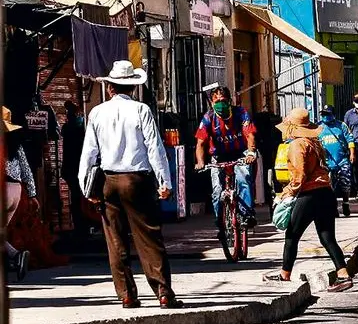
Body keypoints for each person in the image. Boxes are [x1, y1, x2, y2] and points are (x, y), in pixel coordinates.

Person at [78, 61, 182, 309]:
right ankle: (163, 293)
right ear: (133, 88)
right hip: (137, 181)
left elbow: (89, 153)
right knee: (148, 237)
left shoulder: (97, 113)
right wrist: (164, 182)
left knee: (115, 241)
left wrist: (87, 189)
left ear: (110, 88)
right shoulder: (141, 110)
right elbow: (154, 148)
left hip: (107, 181)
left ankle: (127, 294)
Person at [265, 108, 353, 292]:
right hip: (326, 192)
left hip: (309, 195)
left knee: (292, 236)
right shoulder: (315, 142)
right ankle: (343, 275)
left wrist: (286, 193)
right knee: (327, 237)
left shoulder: (297, 145)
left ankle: (284, 275)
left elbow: (299, 175)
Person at [195, 86, 258, 237]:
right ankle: (220, 221)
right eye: (216, 101)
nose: (220, 104)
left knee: (243, 178)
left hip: (240, 153)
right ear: (211, 102)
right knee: (217, 190)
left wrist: (251, 152)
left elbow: (250, 135)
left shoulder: (241, 113)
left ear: (230, 101)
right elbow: (200, 143)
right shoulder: (208, 118)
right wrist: (200, 161)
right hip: (219, 155)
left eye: (223, 100)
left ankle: (246, 214)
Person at [3, 106, 35, 282]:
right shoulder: (16, 145)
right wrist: (32, 194)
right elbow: (27, 170)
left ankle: (16, 255)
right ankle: (15, 258)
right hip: (16, 190)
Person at [319, 105, 354, 217]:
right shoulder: (318, 127)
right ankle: (333, 208)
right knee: (329, 187)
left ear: (333, 114)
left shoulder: (341, 126)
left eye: (327, 114)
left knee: (345, 183)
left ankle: (345, 203)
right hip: (327, 163)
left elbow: (350, 139)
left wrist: (352, 153)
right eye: (323, 114)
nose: (325, 116)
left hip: (342, 160)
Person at [61, 100, 89, 238]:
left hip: (70, 168)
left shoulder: (67, 128)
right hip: (77, 168)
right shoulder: (78, 130)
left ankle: (80, 226)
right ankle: (82, 226)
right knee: (81, 198)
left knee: (76, 198)